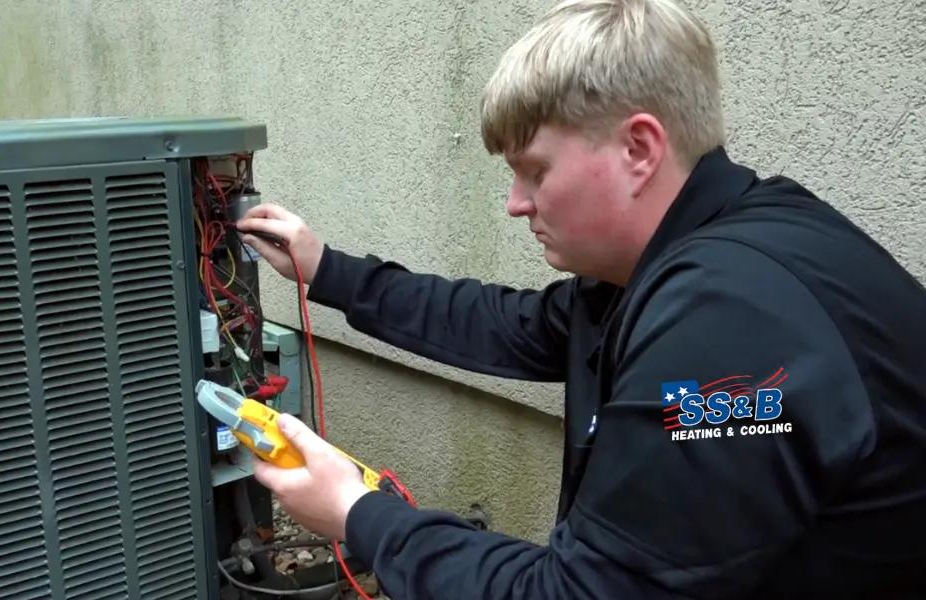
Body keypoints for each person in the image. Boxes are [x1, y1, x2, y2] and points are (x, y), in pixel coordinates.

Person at [236, 0, 926, 597]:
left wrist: (360, 515)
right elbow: (509, 325)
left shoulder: (730, 325)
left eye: (533, 170)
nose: (515, 204)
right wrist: (327, 271)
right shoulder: (686, 257)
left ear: (638, 149)